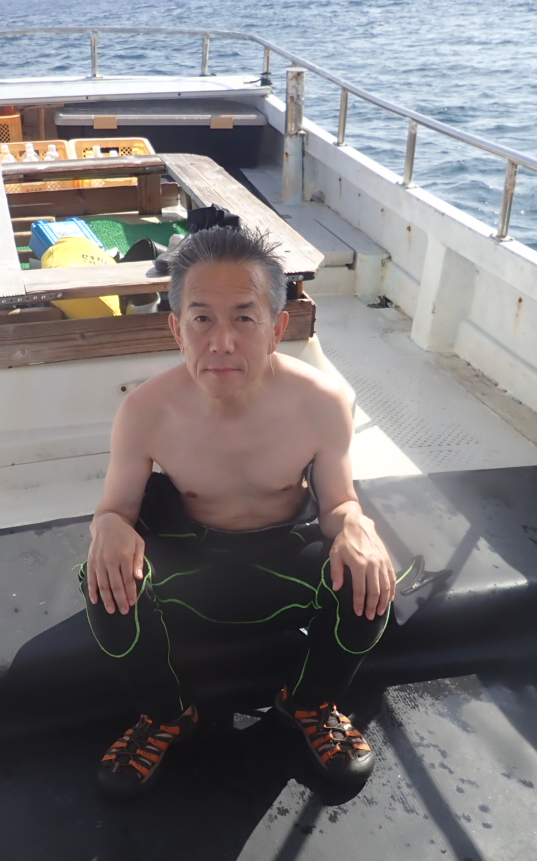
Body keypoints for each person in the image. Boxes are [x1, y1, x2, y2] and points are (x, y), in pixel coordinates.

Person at [78, 226, 398, 800]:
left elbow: (338, 503)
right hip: (192, 557)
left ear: (276, 328)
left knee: (370, 572)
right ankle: (166, 713)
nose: (221, 342)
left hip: (285, 552)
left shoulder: (320, 402)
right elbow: (116, 509)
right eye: (202, 318)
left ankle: (310, 703)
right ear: (176, 328)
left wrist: (357, 525)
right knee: (102, 579)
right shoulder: (145, 410)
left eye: (244, 318)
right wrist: (107, 528)